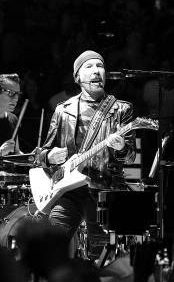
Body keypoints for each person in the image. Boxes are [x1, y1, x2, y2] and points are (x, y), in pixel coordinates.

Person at [37, 50, 136, 240]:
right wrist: (48, 156)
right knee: (53, 242)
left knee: (100, 253)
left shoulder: (122, 109)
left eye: (100, 66)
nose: (96, 71)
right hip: (69, 190)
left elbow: (131, 156)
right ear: (77, 77)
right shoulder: (63, 110)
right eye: (89, 66)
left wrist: (122, 147)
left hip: (106, 189)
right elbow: (40, 153)